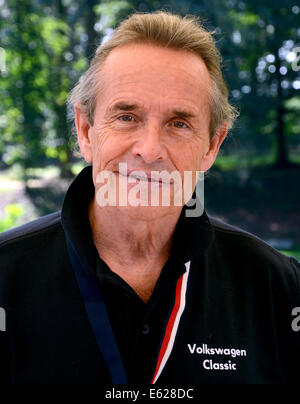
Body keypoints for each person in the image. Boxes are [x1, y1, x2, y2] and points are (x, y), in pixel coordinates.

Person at [0, 11, 299, 385]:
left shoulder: (276, 287)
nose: (150, 149)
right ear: (86, 131)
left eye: (179, 124)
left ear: (212, 145)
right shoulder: (5, 278)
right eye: (126, 117)